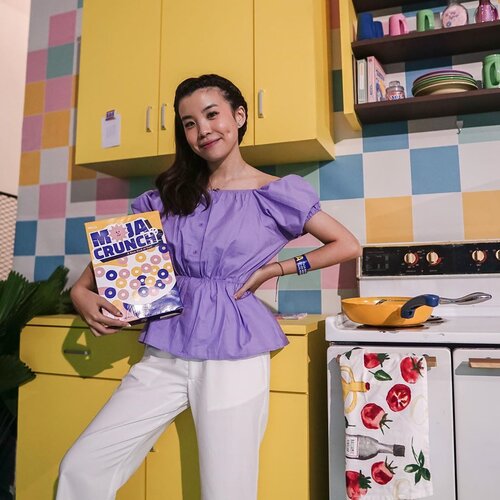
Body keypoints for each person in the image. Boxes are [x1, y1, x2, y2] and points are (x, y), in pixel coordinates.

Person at [57, 74, 361, 500]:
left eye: (211, 114)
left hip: (232, 352)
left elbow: (346, 244)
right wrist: (80, 293)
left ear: (239, 116)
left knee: (226, 490)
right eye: (189, 123)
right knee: (83, 465)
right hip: (166, 348)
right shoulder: (171, 193)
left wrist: (276, 269)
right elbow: (107, 264)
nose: (202, 130)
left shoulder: (273, 193)